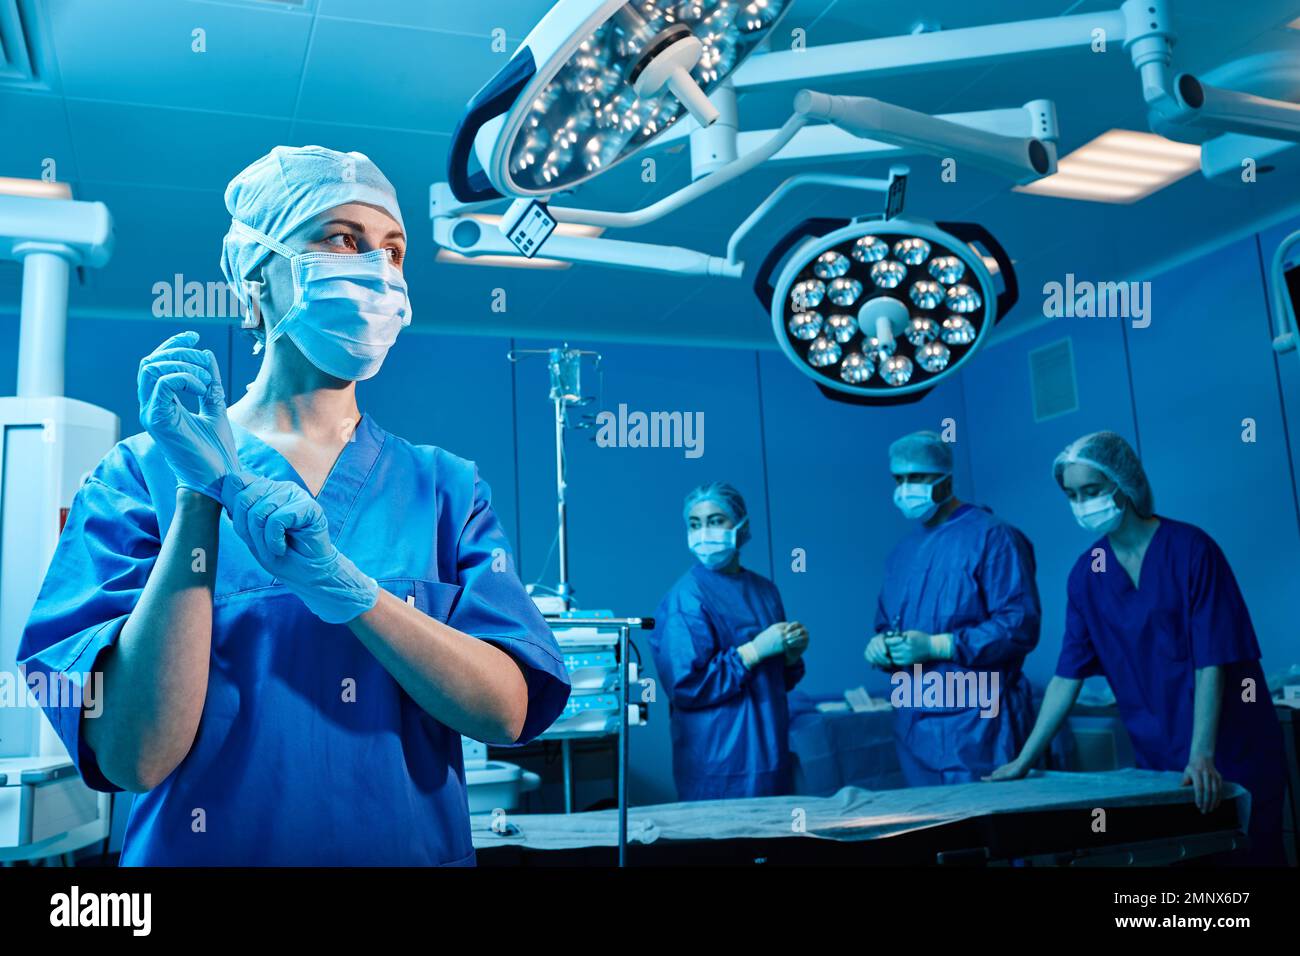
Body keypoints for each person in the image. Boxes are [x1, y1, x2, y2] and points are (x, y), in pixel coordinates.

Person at [17, 145, 570, 865]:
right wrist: (199, 497)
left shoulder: (445, 488)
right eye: (342, 238)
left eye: (394, 250)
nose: (378, 269)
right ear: (256, 274)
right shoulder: (138, 478)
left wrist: (348, 591)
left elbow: (507, 711)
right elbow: (135, 756)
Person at [987, 431, 1287, 866]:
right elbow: (1066, 677)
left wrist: (1202, 753)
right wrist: (1023, 760)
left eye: (1092, 490)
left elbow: (1213, 659)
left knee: (1247, 859)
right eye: (1072, 494)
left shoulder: (1191, 550)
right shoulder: (1088, 575)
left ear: (1122, 483)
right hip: (1160, 761)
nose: (1082, 503)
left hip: (1230, 749)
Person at [865, 431, 1040, 785]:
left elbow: (1019, 624)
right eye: (899, 479)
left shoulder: (993, 536)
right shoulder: (903, 552)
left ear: (946, 478)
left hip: (979, 723)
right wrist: (883, 646)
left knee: (986, 828)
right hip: (914, 719)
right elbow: (888, 622)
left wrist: (939, 645)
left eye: (917, 477)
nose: (906, 487)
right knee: (930, 831)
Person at [649, 482, 809, 800]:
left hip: (770, 751)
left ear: (741, 525)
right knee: (723, 847)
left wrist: (789, 656)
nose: (704, 532)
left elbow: (777, 682)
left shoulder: (765, 591)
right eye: (695, 524)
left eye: (715, 520)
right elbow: (686, 686)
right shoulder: (686, 597)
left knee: (774, 845)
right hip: (717, 760)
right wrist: (753, 651)